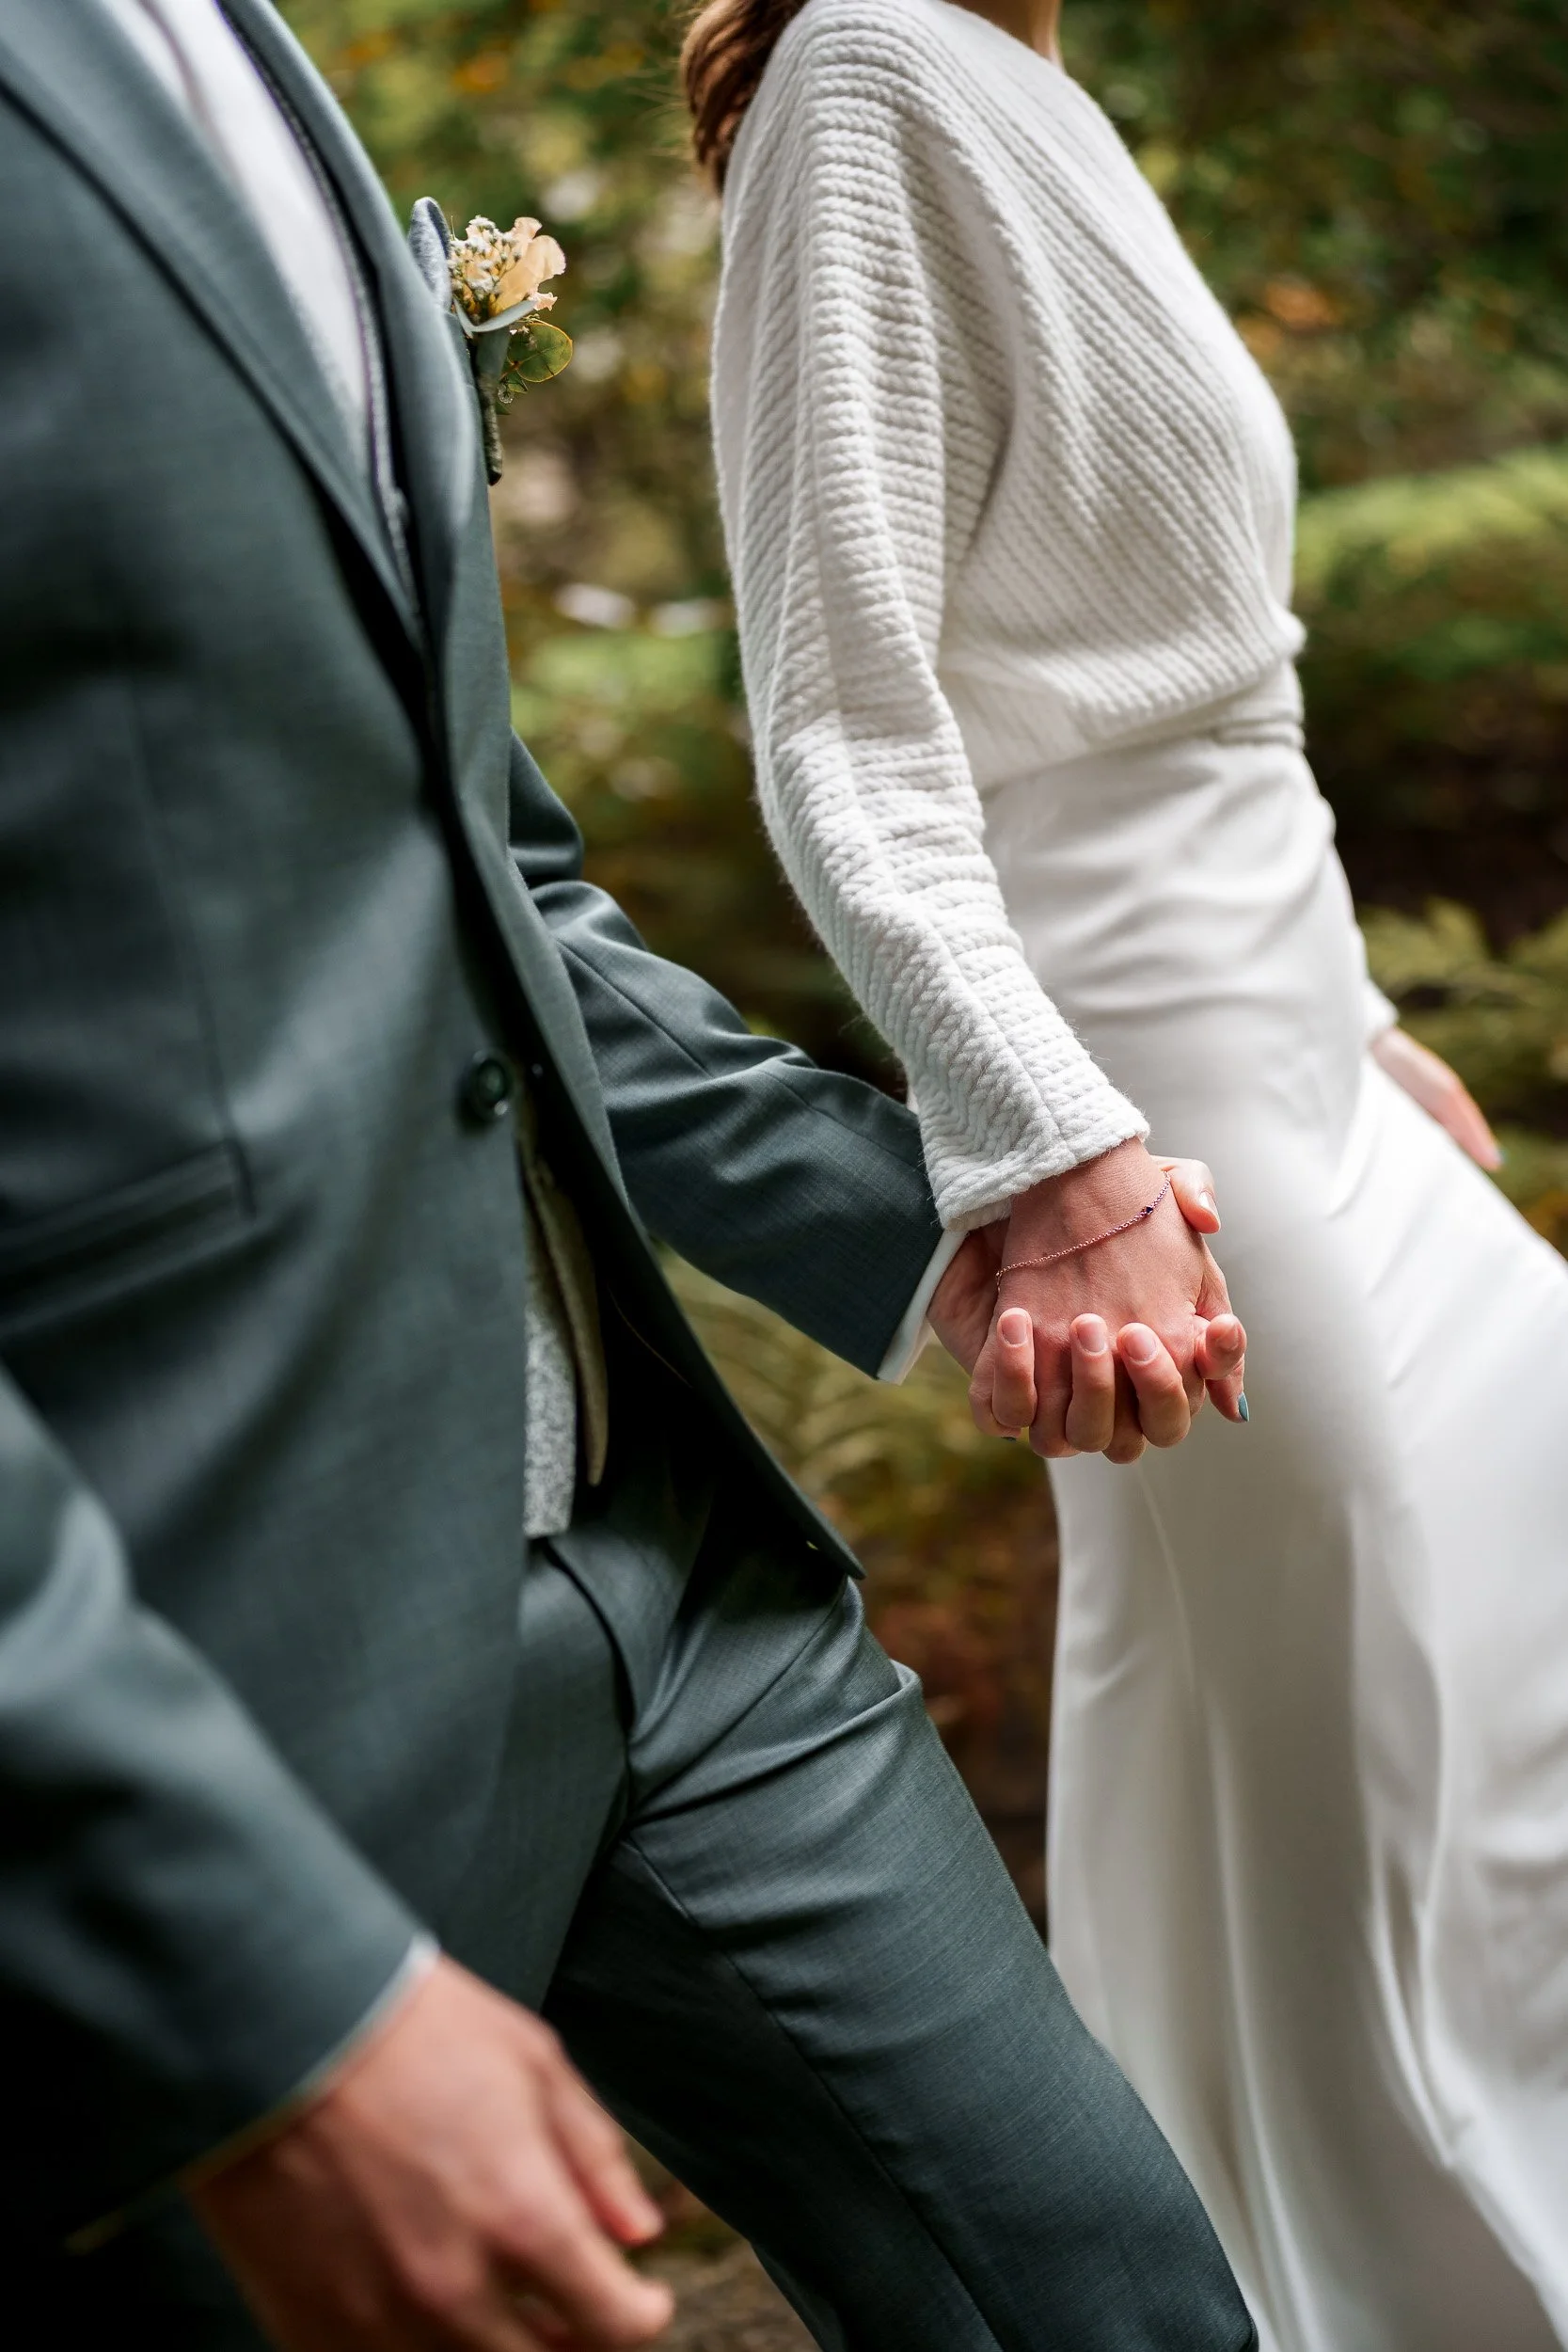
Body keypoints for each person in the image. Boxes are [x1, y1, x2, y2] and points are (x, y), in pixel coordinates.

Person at [0, 2, 1263, 2347]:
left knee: (1116, 2295)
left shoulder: (241, 58)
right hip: (218, 1676)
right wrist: (222, 1943)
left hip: (680, 1587)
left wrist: (916, 1207)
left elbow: (481, 887)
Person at [698, 0, 1568, 2346]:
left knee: (1482, 1670)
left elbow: (1163, 667)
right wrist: (1049, 1135)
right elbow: (848, 724)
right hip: (1141, 1092)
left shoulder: (1032, 88)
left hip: (1299, 1042)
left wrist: (1357, 1011)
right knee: (1344, 1754)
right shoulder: (865, 78)